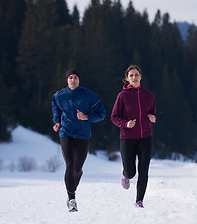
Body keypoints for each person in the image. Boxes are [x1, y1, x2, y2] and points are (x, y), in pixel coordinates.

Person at [52, 68, 106, 212]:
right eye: (70, 78)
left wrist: (87, 117)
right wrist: (57, 121)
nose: (73, 80)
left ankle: (71, 191)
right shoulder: (59, 96)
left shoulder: (88, 95)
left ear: (79, 80)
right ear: (67, 80)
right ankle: (72, 199)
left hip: (83, 135)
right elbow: (56, 108)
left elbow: (102, 113)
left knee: (77, 168)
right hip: (66, 133)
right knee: (70, 164)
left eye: (75, 77)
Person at [111, 65, 157, 208]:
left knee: (144, 170)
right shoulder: (122, 96)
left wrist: (153, 118)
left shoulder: (148, 95)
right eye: (131, 75)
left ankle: (139, 201)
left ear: (140, 76)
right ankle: (125, 174)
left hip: (146, 137)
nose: (134, 77)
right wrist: (126, 124)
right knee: (131, 172)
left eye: (136, 75)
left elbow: (153, 114)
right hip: (127, 138)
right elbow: (114, 117)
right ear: (127, 78)